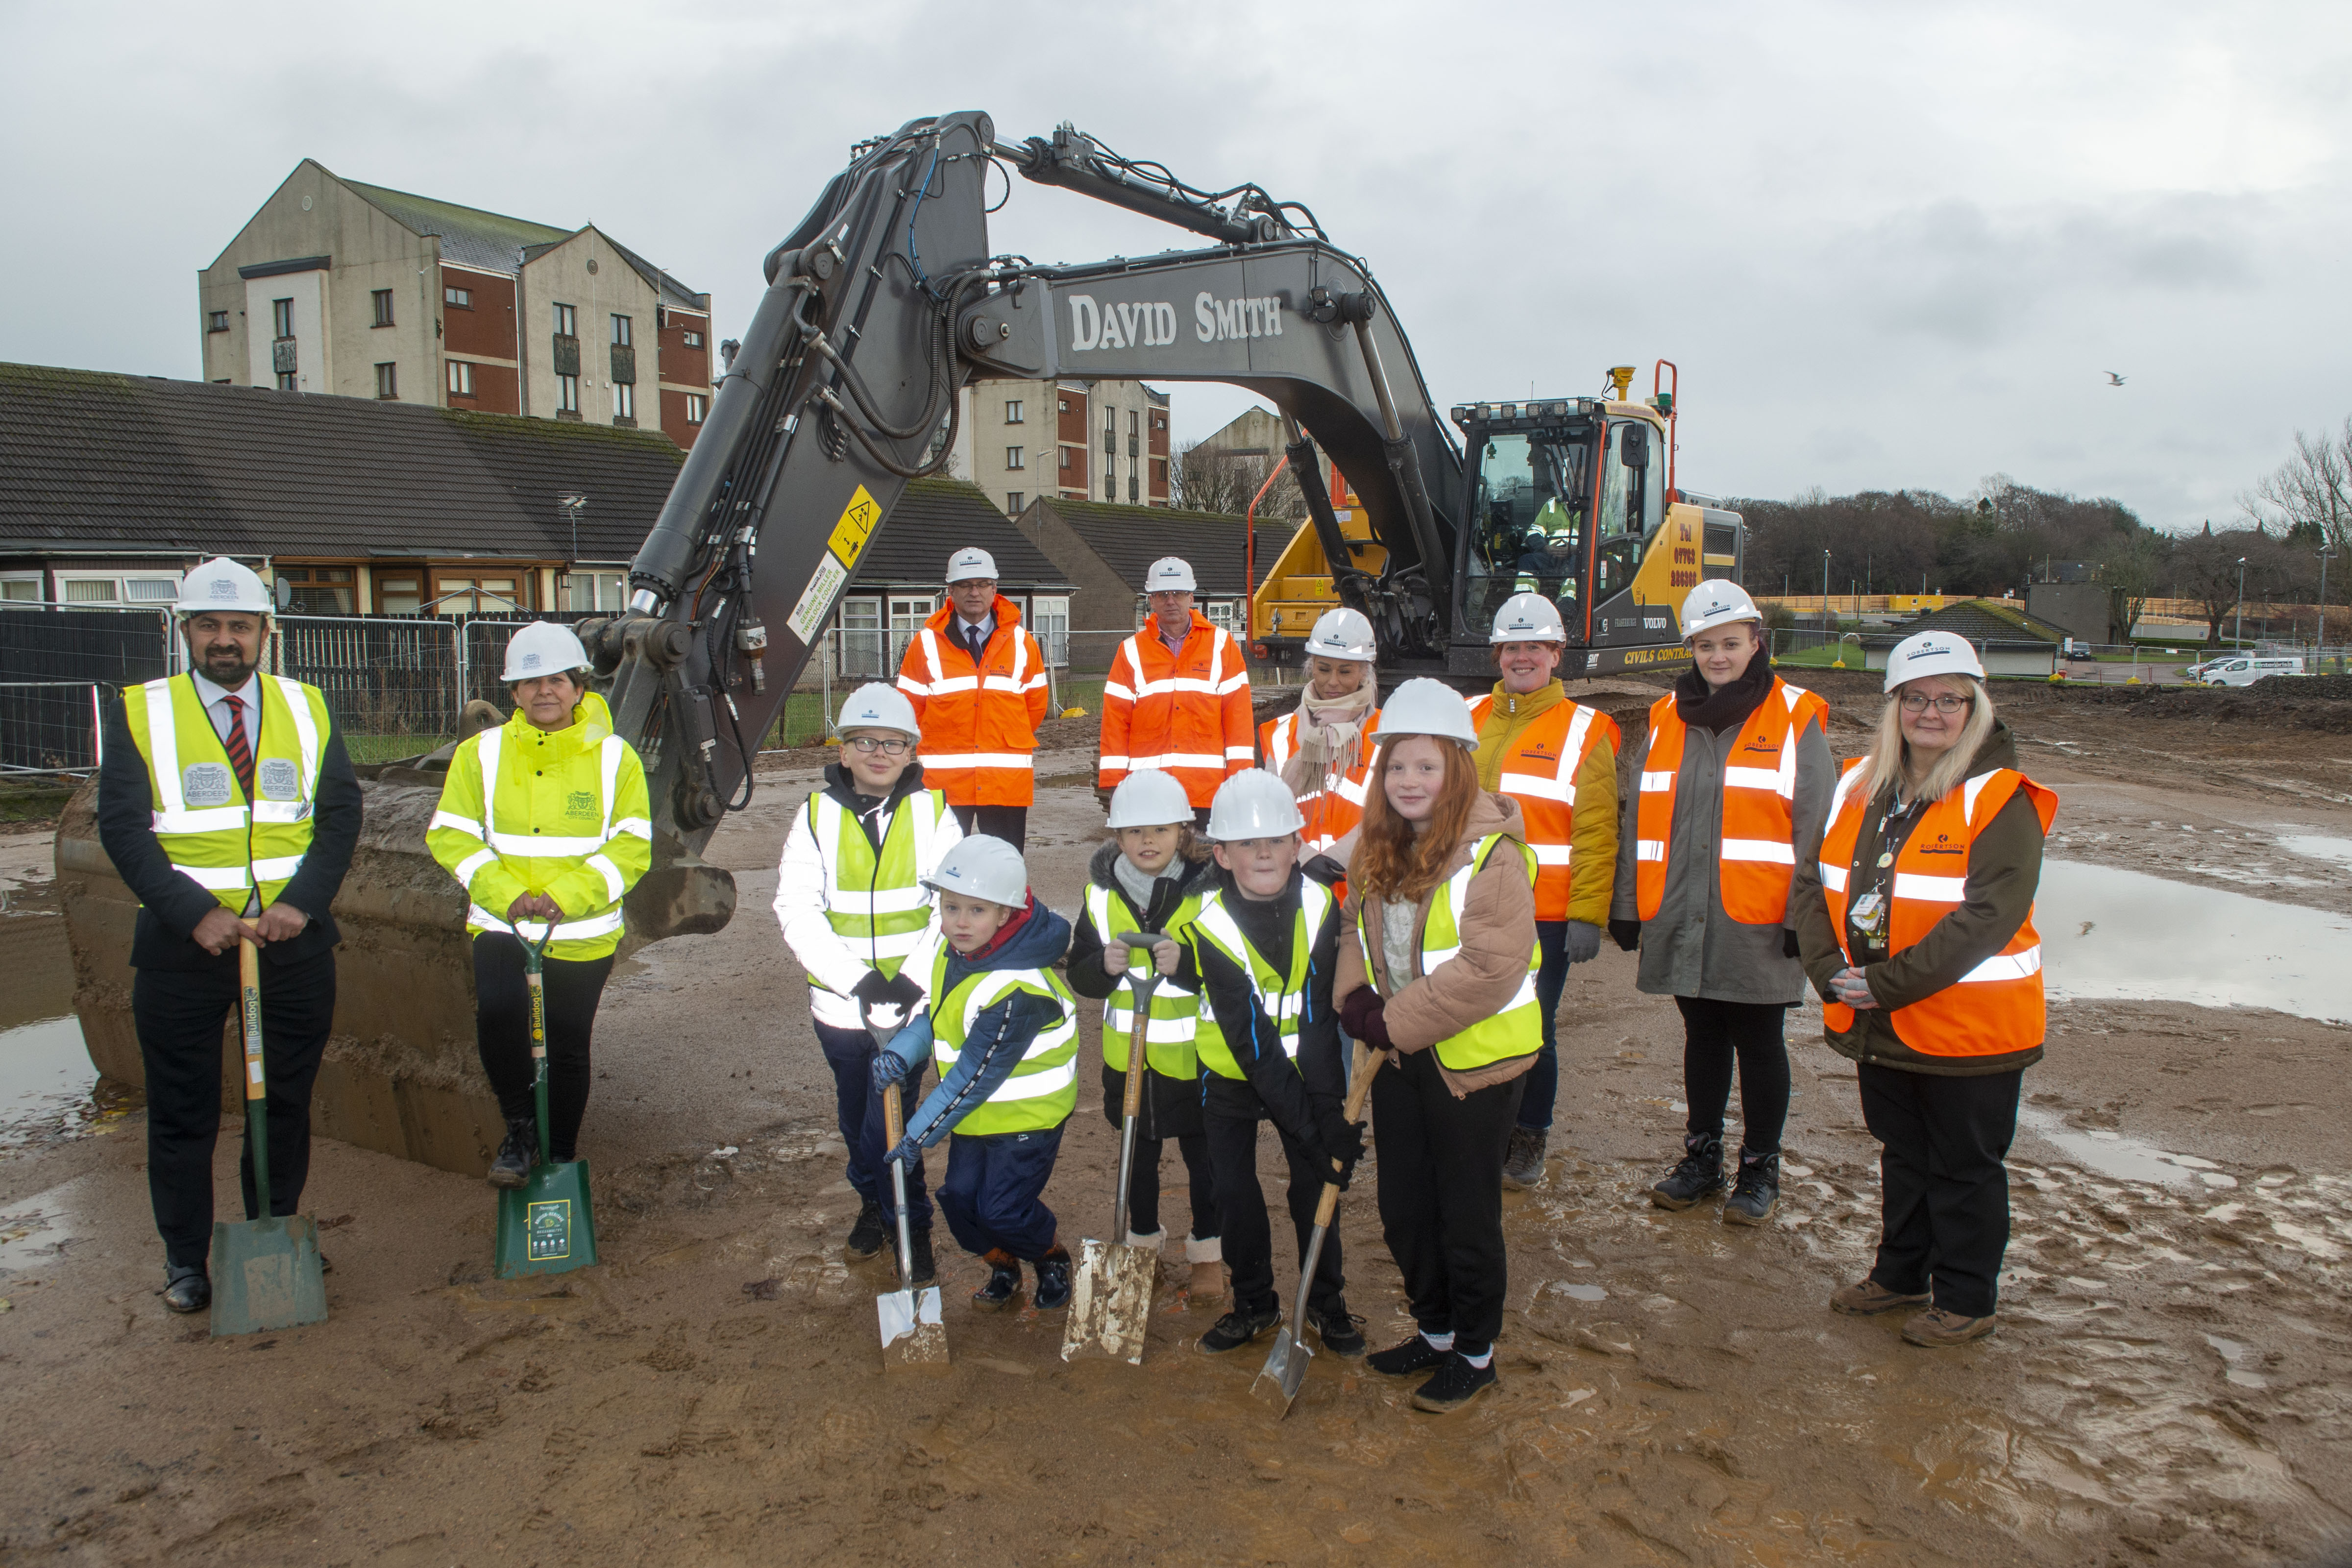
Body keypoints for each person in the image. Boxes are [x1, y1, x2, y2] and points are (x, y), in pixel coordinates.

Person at [96, 558, 363, 1314]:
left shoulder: (307, 707)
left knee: (282, 1102)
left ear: (264, 634)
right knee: (182, 1114)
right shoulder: (141, 710)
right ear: (185, 630)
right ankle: (186, 1260)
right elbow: (124, 829)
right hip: (186, 950)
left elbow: (340, 815)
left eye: (239, 626)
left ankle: (271, 1232)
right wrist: (194, 914)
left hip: (291, 947)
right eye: (209, 625)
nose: (224, 640)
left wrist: (303, 905)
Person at [1791, 630, 2056, 1348]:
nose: (1932, 713)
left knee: (1964, 1167)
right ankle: (1901, 1274)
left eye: (1950, 700)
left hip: (1971, 1028)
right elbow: (1814, 884)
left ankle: (1967, 1297)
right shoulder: (1857, 784)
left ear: (1975, 706)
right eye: (1917, 699)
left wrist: (1885, 984)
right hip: (1879, 1020)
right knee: (1902, 1154)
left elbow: (1988, 916)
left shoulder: (2001, 797)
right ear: (1895, 706)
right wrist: (1830, 977)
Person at [1335, 679, 1542, 1414]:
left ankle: (1476, 1356)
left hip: (1474, 1066)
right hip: (1402, 1056)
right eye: (1397, 767)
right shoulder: (1380, 845)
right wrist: (1353, 996)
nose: (1409, 781)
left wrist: (1390, 1022)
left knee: (1465, 1213)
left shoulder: (1494, 857)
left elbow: (1489, 969)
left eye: (1426, 766)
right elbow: (1356, 933)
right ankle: (1436, 1329)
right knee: (1403, 1206)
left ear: (1459, 766)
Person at [1612, 581, 1832, 1225]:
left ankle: (1761, 1168)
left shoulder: (1796, 717)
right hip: (1680, 911)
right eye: (1706, 645)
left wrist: (1803, 916)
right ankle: (1701, 1158)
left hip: (1758, 918)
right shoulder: (1663, 719)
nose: (1718, 656)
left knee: (1760, 1041)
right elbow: (1641, 820)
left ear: (1755, 642)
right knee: (1702, 1036)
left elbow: (1816, 826)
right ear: (1691, 649)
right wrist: (1629, 902)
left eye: (1730, 643)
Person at [428, 622, 651, 1191]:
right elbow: (450, 834)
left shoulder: (614, 758)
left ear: (579, 687)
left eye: (556, 679)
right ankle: (521, 1128)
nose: (543, 691)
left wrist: (564, 896)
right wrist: (509, 895)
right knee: (500, 1017)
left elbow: (631, 845)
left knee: (567, 1041)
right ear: (514, 692)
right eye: (530, 681)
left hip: (583, 931)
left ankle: (561, 1153)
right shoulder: (481, 753)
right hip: (503, 923)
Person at [772, 683, 962, 1285]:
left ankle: (914, 1227)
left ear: (911, 751)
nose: (880, 752)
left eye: (894, 742)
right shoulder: (814, 814)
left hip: (910, 1012)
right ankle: (873, 1205)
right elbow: (796, 907)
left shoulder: (935, 813)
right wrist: (857, 982)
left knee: (897, 1124)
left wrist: (909, 981)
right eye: (865, 741)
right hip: (841, 1009)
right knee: (857, 1121)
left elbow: (953, 907)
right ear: (845, 750)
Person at [1176, 769, 1365, 1358]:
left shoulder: (1318, 905)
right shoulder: (1208, 926)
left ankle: (1325, 1302)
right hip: (1233, 1074)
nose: (1264, 852)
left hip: (1306, 1075)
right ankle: (1254, 1303)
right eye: (1246, 843)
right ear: (1222, 854)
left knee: (1316, 1189)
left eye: (1277, 840)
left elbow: (1317, 1019)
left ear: (1296, 845)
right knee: (1234, 1192)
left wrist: (1328, 1116)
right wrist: (1315, 1135)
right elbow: (1251, 1041)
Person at [875, 836, 1079, 1312]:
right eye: (951, 907)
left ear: (1006, 914)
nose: (960, 922)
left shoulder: (1018, 989)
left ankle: (1050, 1256)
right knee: (959, 1199)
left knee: (1002, 1208)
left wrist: (916, 1135)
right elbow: (940, 1014)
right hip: (977, 1118)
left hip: (1027, 1117)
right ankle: (1003, 1263)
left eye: (977, 910)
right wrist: (904, 1052)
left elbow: (974, 1075)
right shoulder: (959, 955)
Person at [1469, 593, 1621, 1189]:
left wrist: (1588, 913)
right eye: (1513, 646)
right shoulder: (1468, 716)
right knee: (1472, 1017)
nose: (1523, 656)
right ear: (1497, 654)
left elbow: (1597, 828)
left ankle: (1530, 1130)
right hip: (1465, 905)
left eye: (1535, 646)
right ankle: (1486, 1123)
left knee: (1535, 1025)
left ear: (1557, 654)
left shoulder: (1586, 730)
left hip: (1546, 912)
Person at [1064, 769, 1225, 1301]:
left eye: (1159, 829)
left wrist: (1188, 966)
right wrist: (1101, 965)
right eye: (1134, 832)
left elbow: (1231, 971)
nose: (1147, 841)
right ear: (1116, 837)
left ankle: (1207, 1250)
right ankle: (1142, 1245)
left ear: (1184, 830)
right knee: (1138, 1160)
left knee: (1205, 1163)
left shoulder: (1208, 895)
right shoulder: (1100, 896)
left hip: (1196, 1063)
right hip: (1129, 1065)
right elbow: (1081, 974)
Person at [895, 547, 1049, 850]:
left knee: (1004, 872)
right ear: (950, 591)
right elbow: (908, 709)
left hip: (1004, 783)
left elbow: (1035, 707)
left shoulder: (1023, 643)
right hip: (944, 785)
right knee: (940, 869)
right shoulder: (925, 644)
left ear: (995, 589)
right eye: (965, 585)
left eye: (981, 584)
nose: (974, 592)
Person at [1098, 557, 1254, 827]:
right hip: (1148, 793)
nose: (1171, 601)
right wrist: (1115, 787)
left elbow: (1239, 721)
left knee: (1206, 868)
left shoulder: (1222, 645)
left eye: (1179, 594)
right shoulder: (1131, 651)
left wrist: (1239, 784)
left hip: (1207, 794)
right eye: (1163, 594)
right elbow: (1115, 723)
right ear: (1152, 601)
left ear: (1191, 597)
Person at [1258, 607, 1382, 856]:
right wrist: (1305, 860)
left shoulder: (1386, 734)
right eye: (1324, 669)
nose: (1333, 681)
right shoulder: (1280, 733)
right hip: (1296, 878)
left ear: (1364, 672)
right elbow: (1268, 813)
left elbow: (1396, 817)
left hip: (1362, 882)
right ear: (1311, 667)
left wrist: (1339, 860)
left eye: (1345, 671)